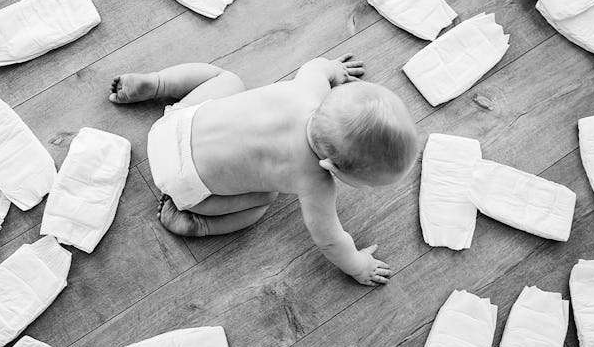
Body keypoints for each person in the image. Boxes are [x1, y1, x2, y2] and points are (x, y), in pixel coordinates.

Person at [109, 55, 418, 286]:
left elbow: (318, 66)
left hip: (172, 127)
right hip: (184, 183)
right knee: (263, 201)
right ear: (330, 167)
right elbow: (330, 239)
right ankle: (198, 225)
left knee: (229, 81)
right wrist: (358, 265)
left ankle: (159, 83)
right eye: (365, 184)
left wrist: (335, 70)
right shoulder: (315, 182)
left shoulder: (308, 88)